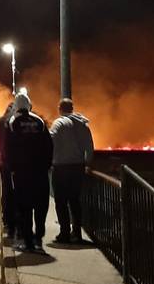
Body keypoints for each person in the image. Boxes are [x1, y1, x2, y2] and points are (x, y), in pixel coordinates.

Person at [5, 93, 53, 253]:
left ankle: (28, 242)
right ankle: (39, 238)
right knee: (41, 207)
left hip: (22, 173)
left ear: (16, 106)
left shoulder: (13, 122)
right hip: (40, 172)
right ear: (29, 105)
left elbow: (8, 148)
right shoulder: (39, 122)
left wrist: (11, 168)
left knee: (24, 208)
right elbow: (49, 146)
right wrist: (46, 165)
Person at [49, 98, 94, 243]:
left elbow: (51, 139)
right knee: (75, 201)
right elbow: (89, 147)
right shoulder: (83, 124)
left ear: (60, 108)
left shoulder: (59, 123)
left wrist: (50, 157)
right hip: (78, 167)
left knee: (61, 201)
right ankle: (77, 233)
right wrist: (87, 164)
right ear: (72, 108)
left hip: (61, 167)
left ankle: (64, 233)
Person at [0, 102, 17, 239]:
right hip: (21, 164)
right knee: (20, 192)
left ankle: (8, 221)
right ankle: (19, 222)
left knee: (7, 192)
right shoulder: (20, 119)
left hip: (5, 162)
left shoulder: (2, 121)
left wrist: (0, 153)